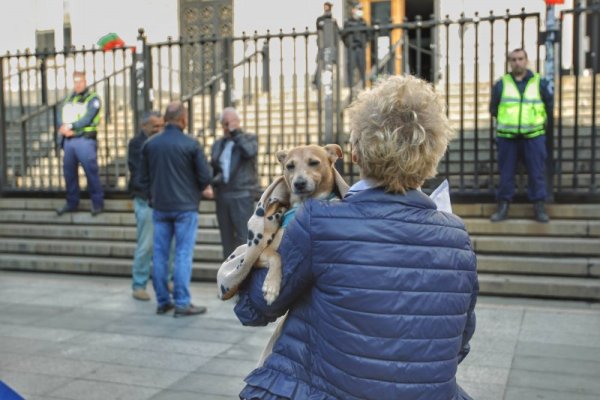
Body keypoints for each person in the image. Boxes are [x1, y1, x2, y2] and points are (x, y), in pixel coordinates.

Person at [234, 75, 478, 399]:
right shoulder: (457, 236)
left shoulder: (318, 221)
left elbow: (252, 310)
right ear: (433, 155)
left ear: (355, 154)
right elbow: (459, 342)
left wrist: (256, 248)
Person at [139, 101, 212, 317]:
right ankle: (181, 302)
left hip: (160, 207)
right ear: (182, 119)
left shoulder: (151, 144)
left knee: (160, 255)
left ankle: (163, 301)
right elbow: (205, 177)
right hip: (185, 208)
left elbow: (141, 179)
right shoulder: (191, 144)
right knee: (182, 254)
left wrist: (152, 197)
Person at [489, 48, 553, 223]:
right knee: (506, 173)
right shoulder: (502, 83)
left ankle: (539, 207)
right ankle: (503, 207)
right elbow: (493, 108)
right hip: (507, 136)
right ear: (510, 62)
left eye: (520, 59)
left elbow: (549, 105)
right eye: (513, 59)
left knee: (536, 172)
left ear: (527, 60)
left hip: (534, 135)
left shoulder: (539, 82)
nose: (517, 62)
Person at [127, 111, 174, 301]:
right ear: (143, 126)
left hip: (164, 201)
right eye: (155, 126)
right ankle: (139, 285)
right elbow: (140, 174)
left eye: (162, 125)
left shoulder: (162, 142)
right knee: (146, 246)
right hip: (146, 201)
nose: (159, 129)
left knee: (168, 246)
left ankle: (166, 281)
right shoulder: (137, 144)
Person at [210, 107, 259, 258]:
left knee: (244, 237)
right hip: (223, 195)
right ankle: (228, 274)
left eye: (230, 123)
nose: (227, 127)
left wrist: (237, 133)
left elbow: (249, 152)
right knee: (226, 239)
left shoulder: (249, 139)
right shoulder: (219, 144)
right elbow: (214, 166)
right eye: (224, 124)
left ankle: (244, 274)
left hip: (242, 194)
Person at [56, 71, 104, 216]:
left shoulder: (93, 98)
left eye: (81, 81)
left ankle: (97, 204)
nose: (78, 84)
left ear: (86, 81)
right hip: (69, 141)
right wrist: (62, 127)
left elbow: (88, 118)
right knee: (69, 174)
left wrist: (70, 127)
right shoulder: (68, 98)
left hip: (85, 140)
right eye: (75, 81)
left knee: (91, 173)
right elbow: (59, 114)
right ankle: (72, 203)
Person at [313, 1, 339, 88]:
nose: (326, 9)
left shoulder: (333, 21)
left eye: (328, 7)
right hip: (322, 45)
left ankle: (327, 82)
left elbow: (336, 33)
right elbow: (318, 30)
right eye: (325, 7)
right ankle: (316, 82)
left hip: (330, 45)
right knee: (320, 63)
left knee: (328, 65)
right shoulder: (320, 19)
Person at [342, 3, 368, 89]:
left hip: (360, 48)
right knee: (351, 68)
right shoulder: (348, 22)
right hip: (352, 48)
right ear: (353, 10)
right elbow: (343, 35)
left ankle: (364, 86)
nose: (360, 11)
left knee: (362, 68)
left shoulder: (363, 22)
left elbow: (368, 35)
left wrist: (364, 43)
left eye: (361, 9)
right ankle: (350, 88)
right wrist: (348, 44)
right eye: (358, 9)